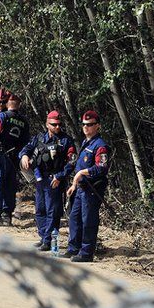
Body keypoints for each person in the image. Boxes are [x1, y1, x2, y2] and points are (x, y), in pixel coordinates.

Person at [20, 110, 76, 251]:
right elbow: (26, 148)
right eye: (54, 124)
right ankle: (44, 236)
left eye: (59, 124)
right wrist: (24, 156)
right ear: (47, 124)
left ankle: (50, 241)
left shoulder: (65, 141)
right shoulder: (39, 138)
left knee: (53, 211)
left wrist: (60, 176)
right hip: (40, 178)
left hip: (55, 179)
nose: (57, 127)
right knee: (40, 209)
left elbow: (71, 162)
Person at [65, 110, 110, 262]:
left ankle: (86, 252)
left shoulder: (100, 145)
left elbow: (102, 167)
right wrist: (74, 184)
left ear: (97, 126)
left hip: (92, 189)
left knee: (88, 221)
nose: (86, 127)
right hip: (80, 188)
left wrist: (83, 173)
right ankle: (74, 248)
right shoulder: (86, 142)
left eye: (90, 125)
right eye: (84, 124)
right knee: (74, 218)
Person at [0, 92, 30, 226]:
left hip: (0, 156)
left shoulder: (2, 117)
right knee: (10, 186)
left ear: (7, 104)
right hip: (14, 158)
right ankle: (7, 215)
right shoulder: (24, 121)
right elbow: (26, 142)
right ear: (19, 105)